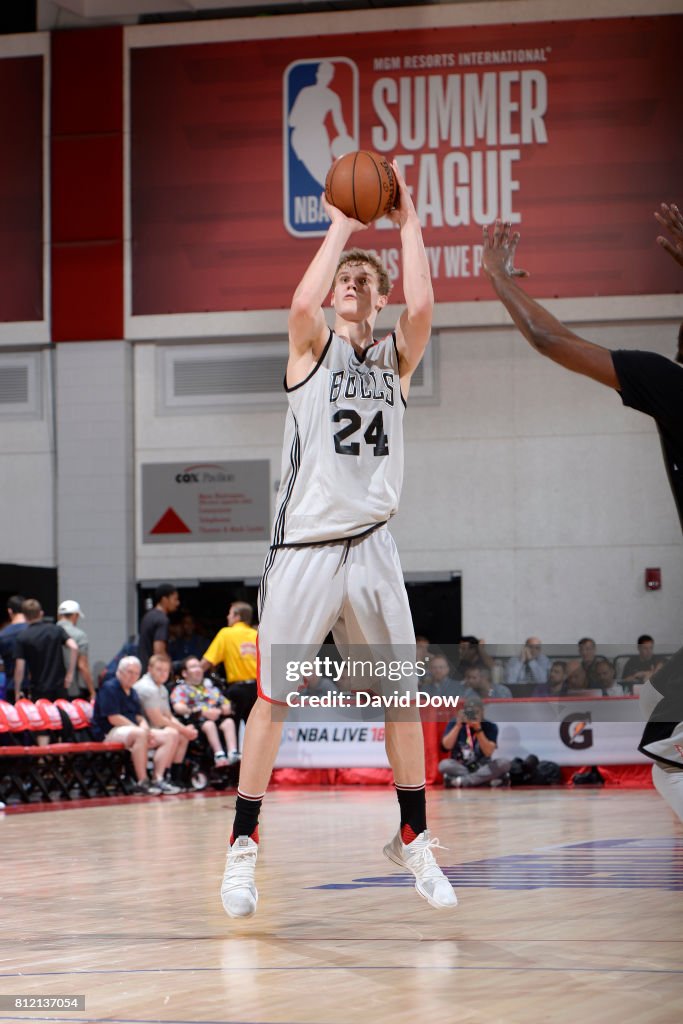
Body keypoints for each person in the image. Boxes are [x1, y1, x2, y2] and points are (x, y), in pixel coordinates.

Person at [220, 164, 457, 919]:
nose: (353, 281)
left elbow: (423, 302)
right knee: (274, 701)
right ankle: (241, 850)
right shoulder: (309, 348)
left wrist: (408, 217)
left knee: (400, 702)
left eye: (365, 278)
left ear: (379, 297)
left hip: (374, 548)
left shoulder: (396, 357)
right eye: (344, 277)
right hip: (304, 551)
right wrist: (344, 227)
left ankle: (412, 836)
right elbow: (299, 300)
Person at [482, 203, 683, 820]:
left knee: (666, 746)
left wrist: (496, 275)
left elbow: (549, 339)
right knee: (663, 720)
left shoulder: (670, 385)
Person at [91, 656, 179, 795]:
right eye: (129, 672)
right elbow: (114, 718)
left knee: (171, 734)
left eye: (136, 673)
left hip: (131, 730)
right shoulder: (110, 687)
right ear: (119, 671)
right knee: (140, 734)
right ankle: (142, 782)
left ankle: (158, 779)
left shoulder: (132, 692)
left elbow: (138, 716)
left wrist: (145, 728)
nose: (133, 676)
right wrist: (141, 730)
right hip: (108, 732)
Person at [134, 653, 197, 789]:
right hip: (141, 729)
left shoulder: (162, 688)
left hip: (155, 728)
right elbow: (157, 719)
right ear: (150, 669)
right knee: (172, 734)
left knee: (182, 735)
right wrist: (183, 729)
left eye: (166, 671)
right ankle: (158, 778)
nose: (163, 674)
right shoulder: (147, 688)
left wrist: (185, 730)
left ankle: (173, 777)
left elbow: (168, 716)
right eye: (159, 670)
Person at [171, 656, 241, 766]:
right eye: (193, 667)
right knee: (209, 725)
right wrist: (201, 712)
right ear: (184, 673)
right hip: (198, 721)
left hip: (217, 717)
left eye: (199, 666)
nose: (198, 669)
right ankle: (219, 755)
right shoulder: (181, 689)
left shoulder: (211, 687)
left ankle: (233, 754)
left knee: (229, 722)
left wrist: (220, 710)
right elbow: (178, 707)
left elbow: (226, 704)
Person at [201, 602, 258, 729]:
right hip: (257, 690)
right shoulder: (256, 635)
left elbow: (208, 661)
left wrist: (192, 675)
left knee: (231, 726)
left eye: (230, 614)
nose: (227, 617)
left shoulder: (226, 633)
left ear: (237, 616)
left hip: (237, 690)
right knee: (255, 730)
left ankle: (233, 749)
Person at [13, 599, 78, 706]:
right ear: (41, 613)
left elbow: (19, 669)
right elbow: (74, 647)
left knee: (44, 720)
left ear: (24, 616)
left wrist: (17, 691)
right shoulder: (56, 629)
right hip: (59, 686)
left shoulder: (22, 637)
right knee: (62, 717)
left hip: (39, 689)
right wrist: (70, 675)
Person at [438, 699, 511, 788]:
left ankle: (461, 781)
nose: (472, 715)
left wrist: (478, 729)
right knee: (444, 765)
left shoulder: (490, 726)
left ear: (482, 712)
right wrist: (458, 726)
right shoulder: (455, 723)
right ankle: (486, 781)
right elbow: (446, 746)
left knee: (504, 763)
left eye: (476, 712)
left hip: (483, 766)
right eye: (469, 712)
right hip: (461, 766)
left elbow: (488, 752)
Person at [57, 599, 95, 700]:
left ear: (59, 615)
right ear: (75, 616)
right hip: (72, 689)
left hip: (51, 688)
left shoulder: (49, 633)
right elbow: (82, 665)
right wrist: (92, 691)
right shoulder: (79, 635)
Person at [138, 584, 180, 671]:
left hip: (143, 667)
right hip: (154, 672)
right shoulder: (162, 619)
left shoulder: (148, 616)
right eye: (175, 599)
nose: (177, 603)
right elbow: (159, 650)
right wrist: (169, 669)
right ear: (164, 599)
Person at [0, 595, 28, 704]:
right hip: (36, 687)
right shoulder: (34, 631)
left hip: (11, 686)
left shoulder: (3, 635)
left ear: (10, 611)